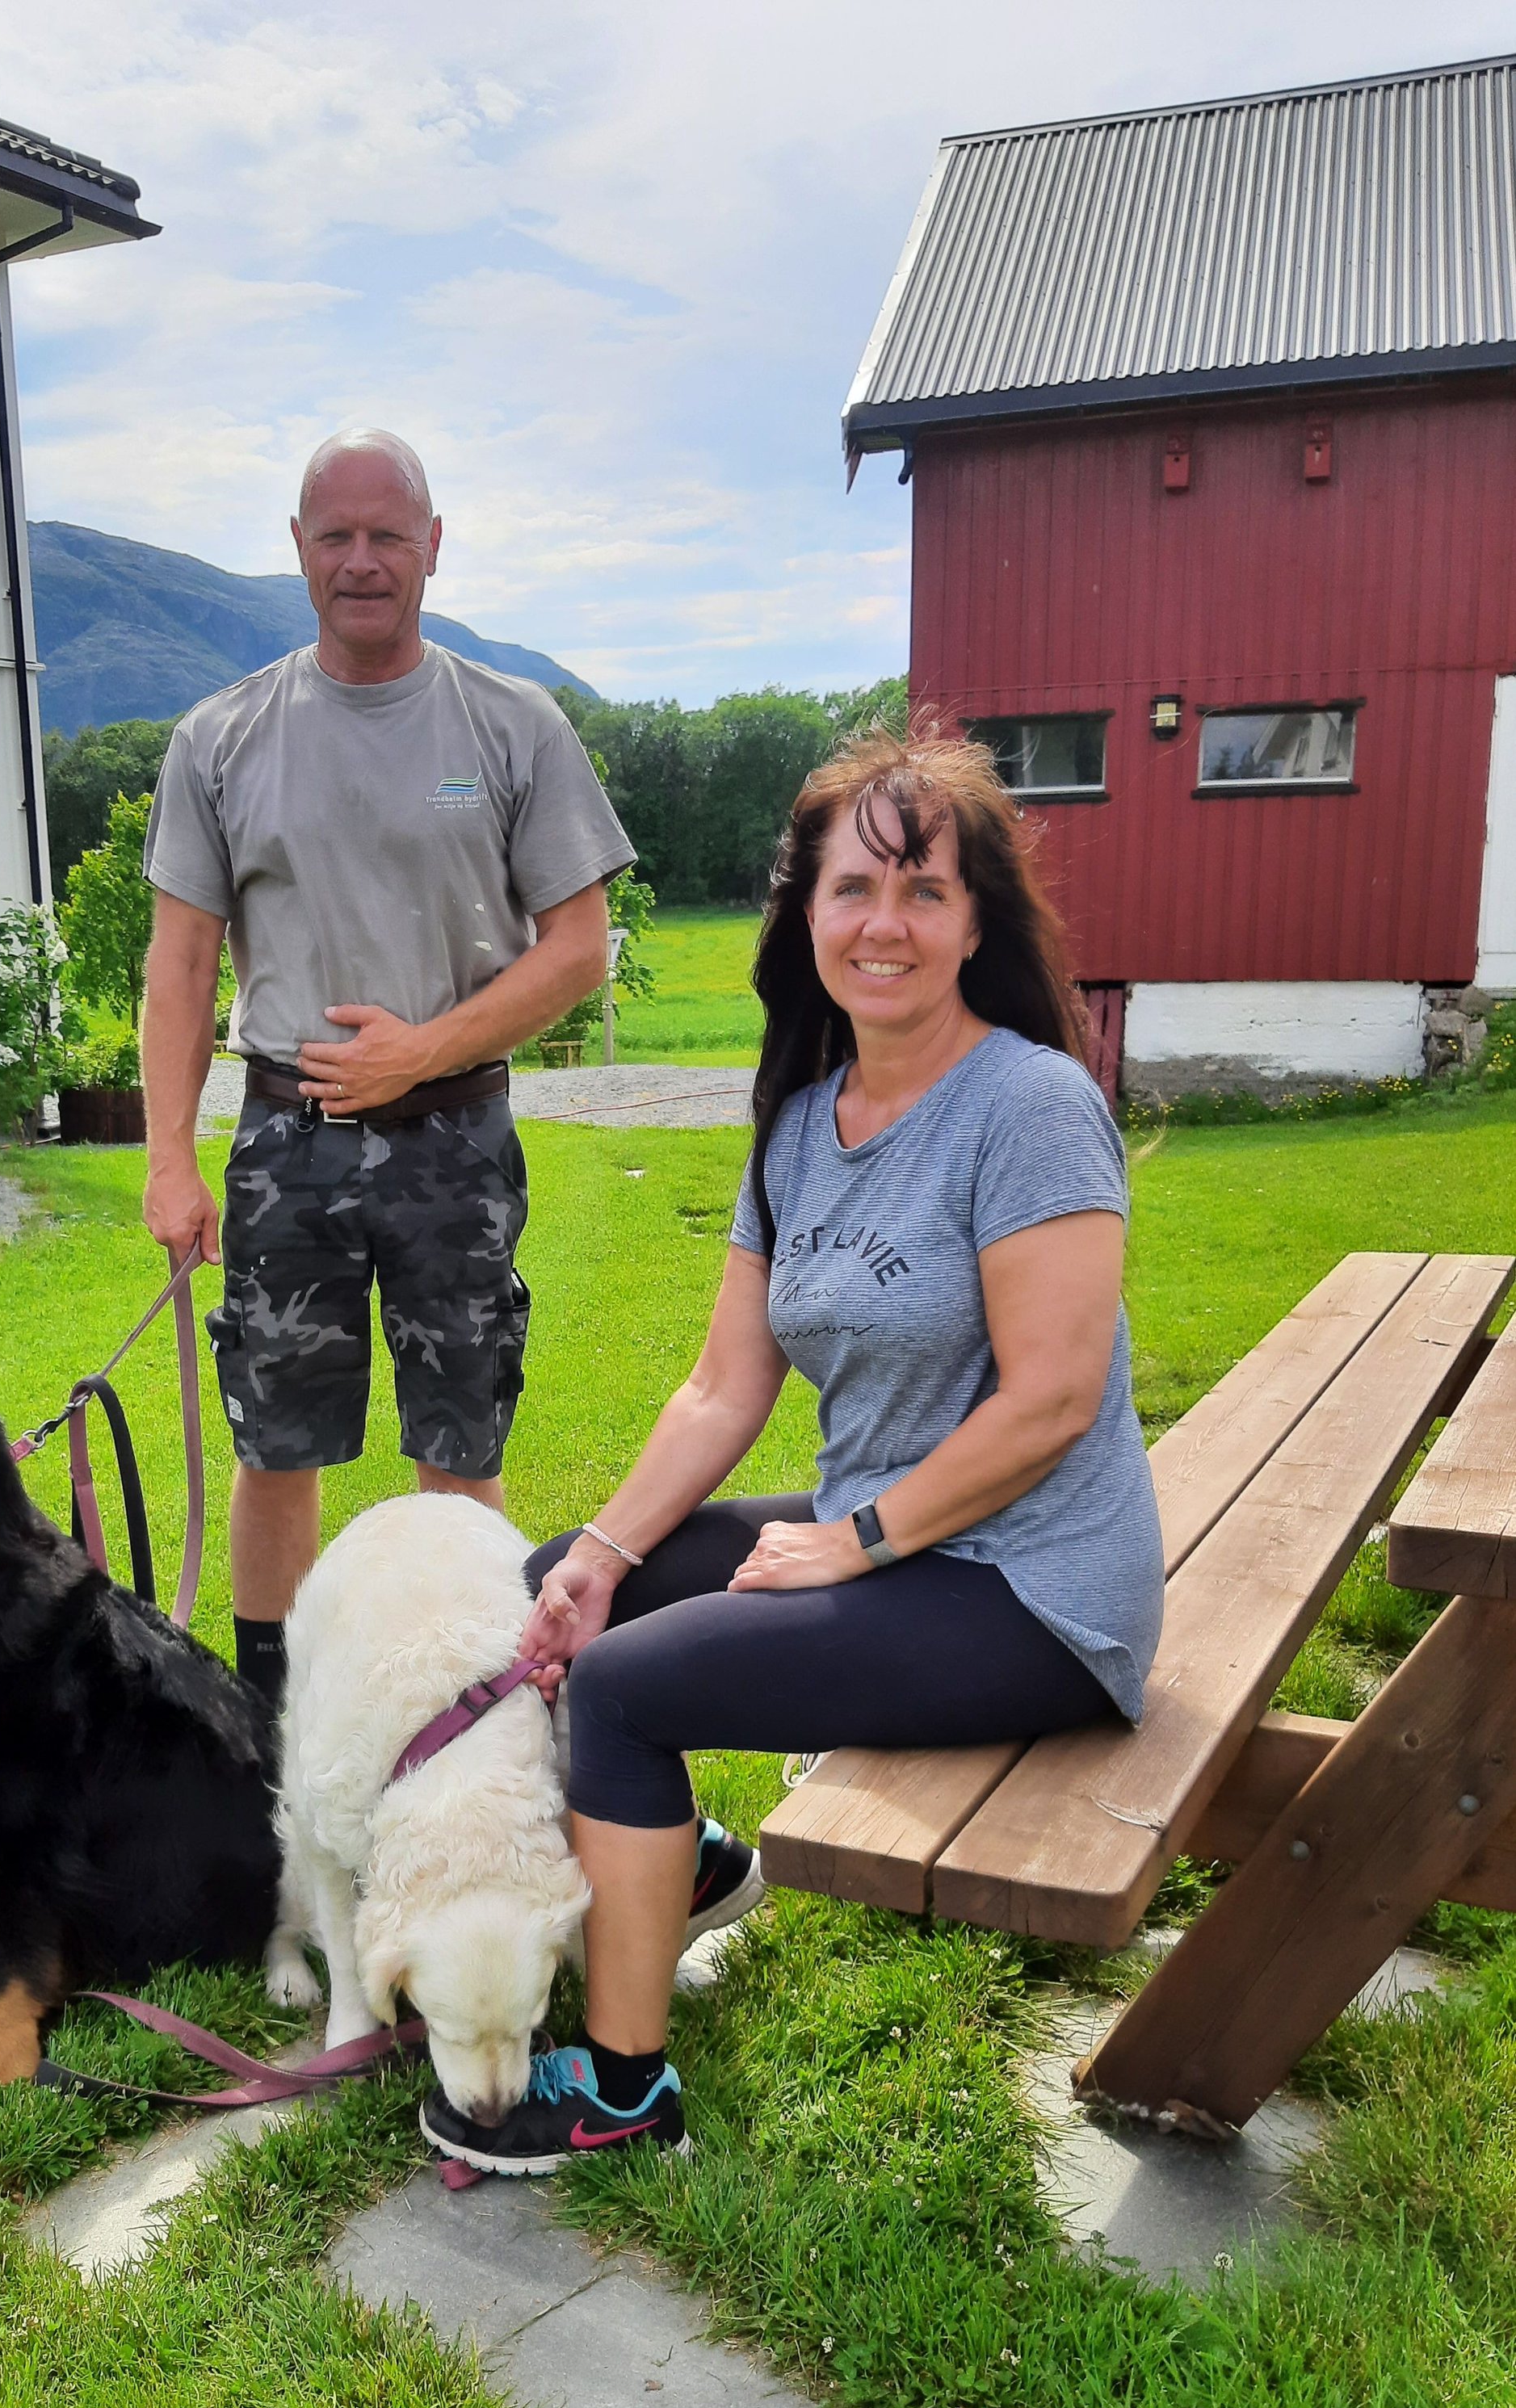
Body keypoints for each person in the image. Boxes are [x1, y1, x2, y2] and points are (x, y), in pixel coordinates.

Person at [418, 727, 1165, 2177]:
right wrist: (604, 1551)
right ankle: (683, 1863)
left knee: (624, 1686)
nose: (886, 922)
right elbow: (720, 1387)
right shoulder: (803, 1126)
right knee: (558, 1587)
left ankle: (626, 2089)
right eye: (853, 888)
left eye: (925, 890)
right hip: (897, 1543)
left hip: (1035, 1593)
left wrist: (858, 1538)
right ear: (807, 914)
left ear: (975, 924)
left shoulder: (1028, 1106)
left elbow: (1053, 1399)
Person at [138, 429, 632, 1704]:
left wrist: (425, 1051)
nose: (363, 561)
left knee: (460, 1448)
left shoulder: (514, 725)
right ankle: (273, 1722)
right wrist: (169, 1160)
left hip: (454, 1142)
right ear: (298, 548)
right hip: (284, 1145)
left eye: (389, 536)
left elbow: (580, 948)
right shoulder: (220, 738)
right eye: (337, 536)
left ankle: (471, 1708)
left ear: (433, 547)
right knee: (276, 1449)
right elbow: (181, 965)